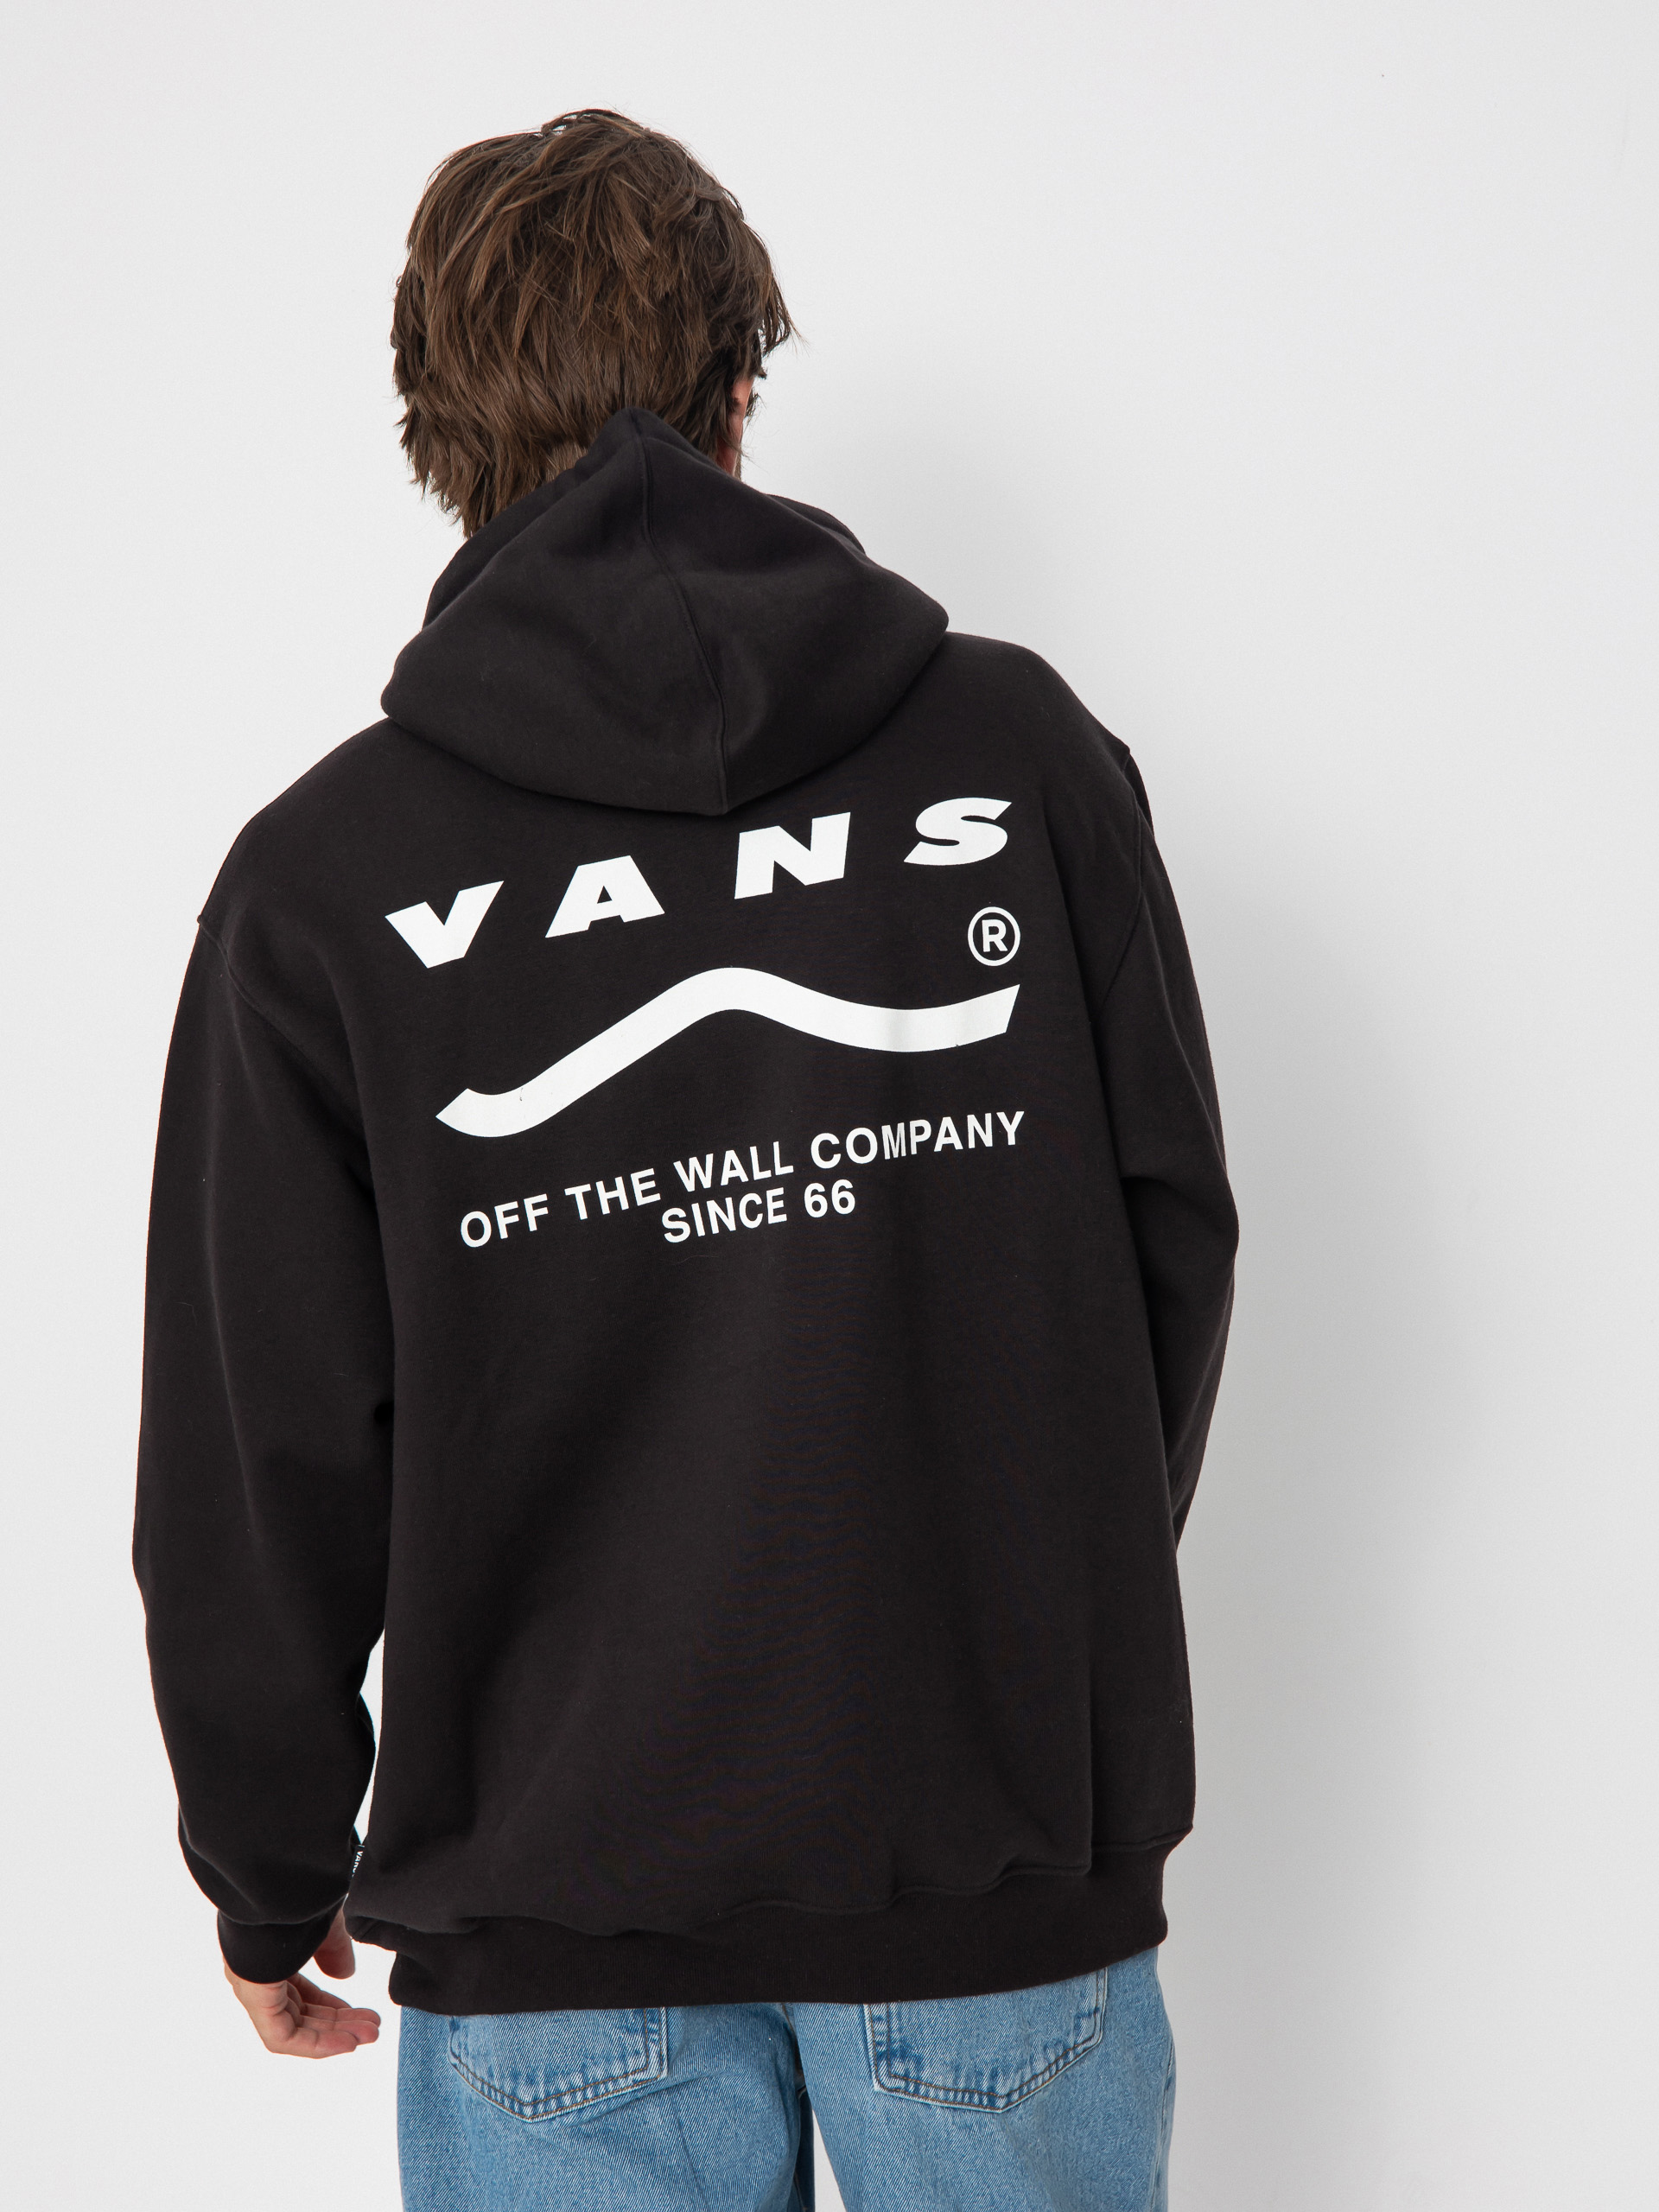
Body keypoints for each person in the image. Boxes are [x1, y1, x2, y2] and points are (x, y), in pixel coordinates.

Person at [134, 108, 1237, 2212]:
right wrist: (1017, 1618)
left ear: (442, 439)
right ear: (740, 390)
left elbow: (257, 1449)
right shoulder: (1017, 760)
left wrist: (266, 1864)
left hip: (559, 1920)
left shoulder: (325, 882)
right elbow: (1169, 1241)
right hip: (989, 1866)